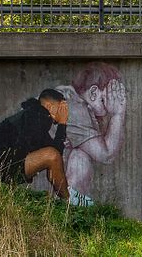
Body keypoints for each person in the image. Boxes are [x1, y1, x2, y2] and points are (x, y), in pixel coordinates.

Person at [55, 62, 126, 207]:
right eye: (110, 96)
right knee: (80, 158)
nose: (114, 101)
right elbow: (106, 154)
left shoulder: (73, 102)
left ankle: (70, 211)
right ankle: (71, 213)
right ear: (93, 93)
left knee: (78, 154)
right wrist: (118, 115)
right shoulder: (75, 109)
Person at [0, 89, 70, 200]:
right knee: (51, 155)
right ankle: (69, 201)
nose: (65, 113)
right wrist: (62, 124)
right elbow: (55, 153)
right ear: (50, 106)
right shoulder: (38, 115)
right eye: (61, 108)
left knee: (52, 155)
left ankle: (66, 195)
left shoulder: (32, 114)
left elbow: (53, 152)